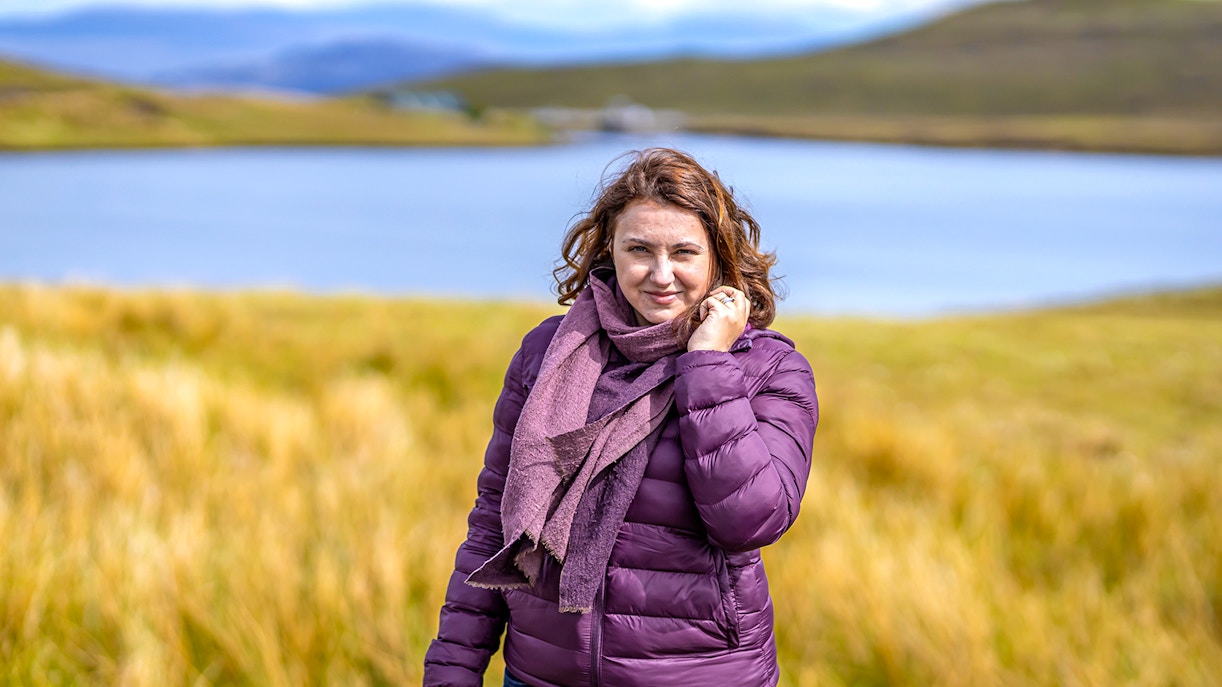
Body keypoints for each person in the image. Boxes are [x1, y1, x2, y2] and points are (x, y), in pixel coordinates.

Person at [423, 148, 819, 687]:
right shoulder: (551, 352)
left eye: (683, 252)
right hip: (544, 673)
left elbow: (750, 520)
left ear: (718, 259)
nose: (661, 275)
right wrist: (453, 669)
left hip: (699, 675)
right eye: (640, 249)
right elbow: (494, 520)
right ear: (610, 249)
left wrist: (706, 364)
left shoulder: (770, 369)